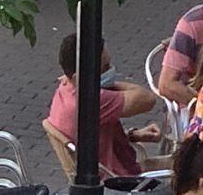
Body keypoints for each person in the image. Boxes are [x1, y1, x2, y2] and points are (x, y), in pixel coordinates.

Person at [46, 34, 161, 179]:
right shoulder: (91, 100)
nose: (111, 70)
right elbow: (147, 99)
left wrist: (133, 135)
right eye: (105, 67)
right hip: (121, 182)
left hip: (105, 173)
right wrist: (106, 86)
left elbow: (89, 140)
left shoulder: (65, 88)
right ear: (79, 78)